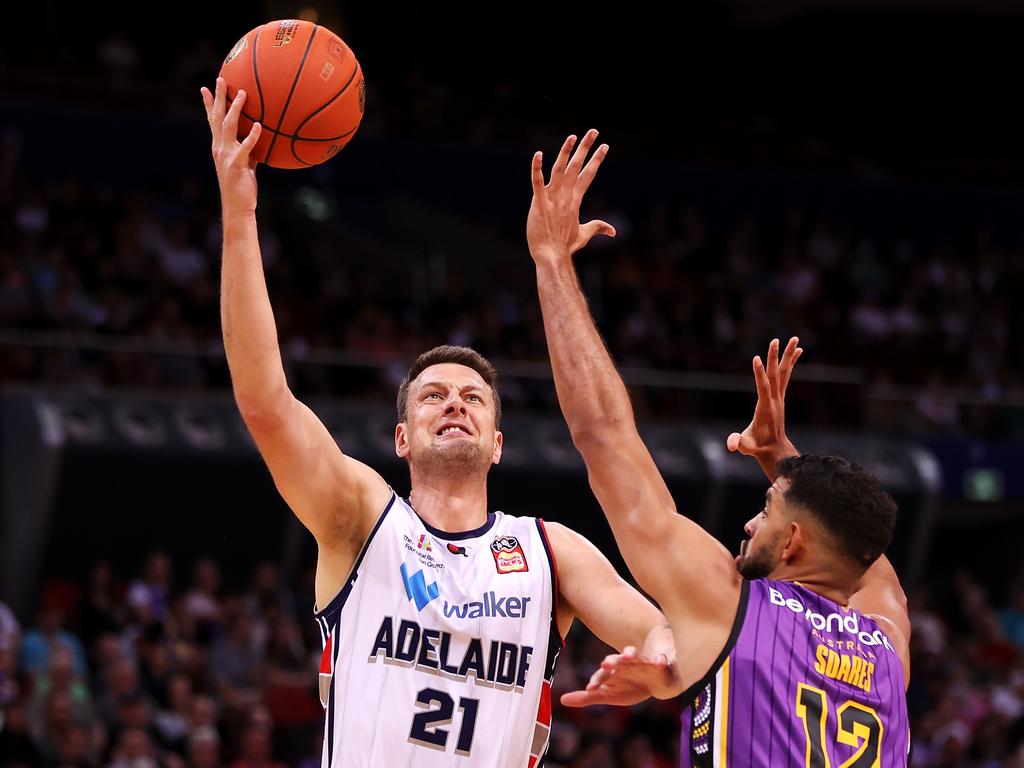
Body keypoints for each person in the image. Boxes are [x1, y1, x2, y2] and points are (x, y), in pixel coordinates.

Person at [200, 79, 674, 767]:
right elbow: (265, 404)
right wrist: (240, 216)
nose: (455, 402)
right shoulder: (360, 518)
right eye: (432, 397)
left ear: (499, 445)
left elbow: (658, 631)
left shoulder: (549, 553)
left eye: (473, 398)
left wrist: (658, 663)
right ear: (401, 438)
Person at [526, 129, 911, 766]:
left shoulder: (733, 604)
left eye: (768, 508)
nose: (750, 521)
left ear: (793, 543)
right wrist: (787, 466)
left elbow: (604, 440)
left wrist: (551, 263)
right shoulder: (887, 648)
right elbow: (876, 569)